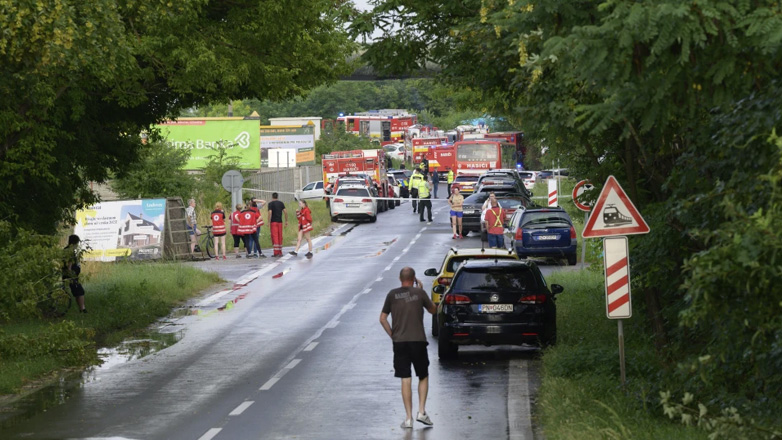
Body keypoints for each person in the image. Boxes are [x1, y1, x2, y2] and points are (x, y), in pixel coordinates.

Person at [379, 267, 437, 429]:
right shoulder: (419, 293)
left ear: (400, 278)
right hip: (418, 341)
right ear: (414, 279)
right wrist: (421, 291)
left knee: (405, 378)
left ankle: (408, 419)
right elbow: (434, 310)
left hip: (400, 343)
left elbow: (382, 319)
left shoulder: (392, 294)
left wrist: (393, 336)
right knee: (423, 375)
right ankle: (422, 412)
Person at [63, 234, 86, 313]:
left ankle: (81, 309)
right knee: (80, 291)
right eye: (77, 243)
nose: (77, 245)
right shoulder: (70, 252)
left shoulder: (65, 250)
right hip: (71, 276)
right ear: (74, 243)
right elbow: (69, 265)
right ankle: (83, 309)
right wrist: (71, 275)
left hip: (66, 275)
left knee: (77, 292)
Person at [267, 192, 288, 257]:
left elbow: (270, 212)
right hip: (280, 222)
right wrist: (286, 221)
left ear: (272, 197)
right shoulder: (281, 203)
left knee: (275, 236)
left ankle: (276, 252)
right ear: (277, 197)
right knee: (280, 236)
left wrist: (268, 221)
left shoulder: (270, 204)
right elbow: (285, 212)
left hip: (273, 222)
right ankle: (280, 252)